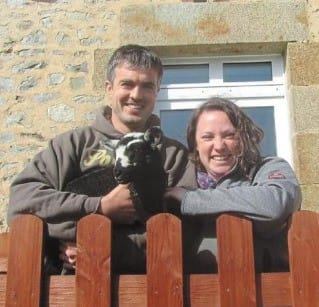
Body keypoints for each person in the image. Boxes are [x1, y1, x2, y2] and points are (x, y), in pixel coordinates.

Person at [7, 44, 191, 274]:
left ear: (157, 91)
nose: (136, 95)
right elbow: (22, 204)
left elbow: (184, 234)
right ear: (109, 88)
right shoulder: (72, 145)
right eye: (127, 84)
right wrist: (99, 207)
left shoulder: (173, 156)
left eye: (147, 86)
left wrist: (95, 246)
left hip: (153, 289)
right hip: (71, 292)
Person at [165, 97, 301, 272]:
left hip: (265, 292)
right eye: (207, 137)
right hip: (192, 293)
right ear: (195, 144)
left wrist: (189, 199)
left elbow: (275, 204)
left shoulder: (268, 168)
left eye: (229, 135)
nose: (219, 146)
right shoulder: (182, 179)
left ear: (243, 138)